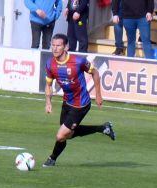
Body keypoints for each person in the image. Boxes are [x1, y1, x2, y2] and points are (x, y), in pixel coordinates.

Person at [42, 34, 115, 167]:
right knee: (68, 135)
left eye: (58, 45)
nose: (55, 48)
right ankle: (103, 128)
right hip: (67, 102)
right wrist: (48, 103)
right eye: (53, 45)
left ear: (66, 47)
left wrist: (98, 94)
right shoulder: (50, 64)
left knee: (60, 135)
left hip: (81, 104)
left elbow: (95, 73)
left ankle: (51, 159)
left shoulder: (78, 61)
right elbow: (48, 85)